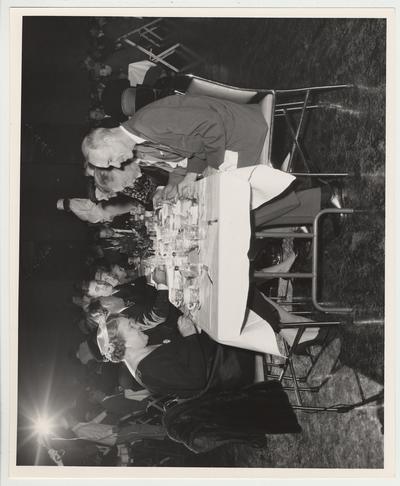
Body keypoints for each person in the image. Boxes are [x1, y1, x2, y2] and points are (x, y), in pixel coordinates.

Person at [81, 93, 273, 199]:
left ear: (107, 140)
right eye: (110, 166)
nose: (116, 165)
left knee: (238, 197)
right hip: (231, 136)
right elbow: (198, 145)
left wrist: (214, 166)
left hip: (244, 132)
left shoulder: (148, 123)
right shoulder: (141, 132)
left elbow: (211, 123)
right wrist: (190, 176)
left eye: (109, 160)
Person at [96, 314, 255, 399]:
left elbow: (179, 353)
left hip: (218, 350)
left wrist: (188, 331)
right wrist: (190, 335)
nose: (137, 325)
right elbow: (196, 380)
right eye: (130, 326)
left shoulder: (143, 354)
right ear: (123, 344)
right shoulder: (149, 371)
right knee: (242, 309)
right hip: (231, 364)